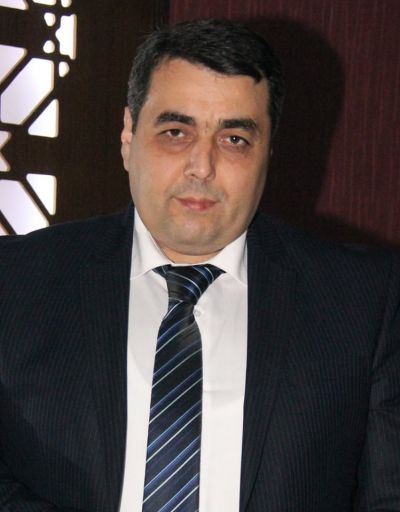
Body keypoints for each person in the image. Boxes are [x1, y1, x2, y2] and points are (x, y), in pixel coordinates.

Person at [0, 18, 399, 512]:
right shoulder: (15, 283)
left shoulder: (367, 302)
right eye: (175, 132)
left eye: (234, 139)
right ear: (128, 135)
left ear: (269, 152)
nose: (202, 166)